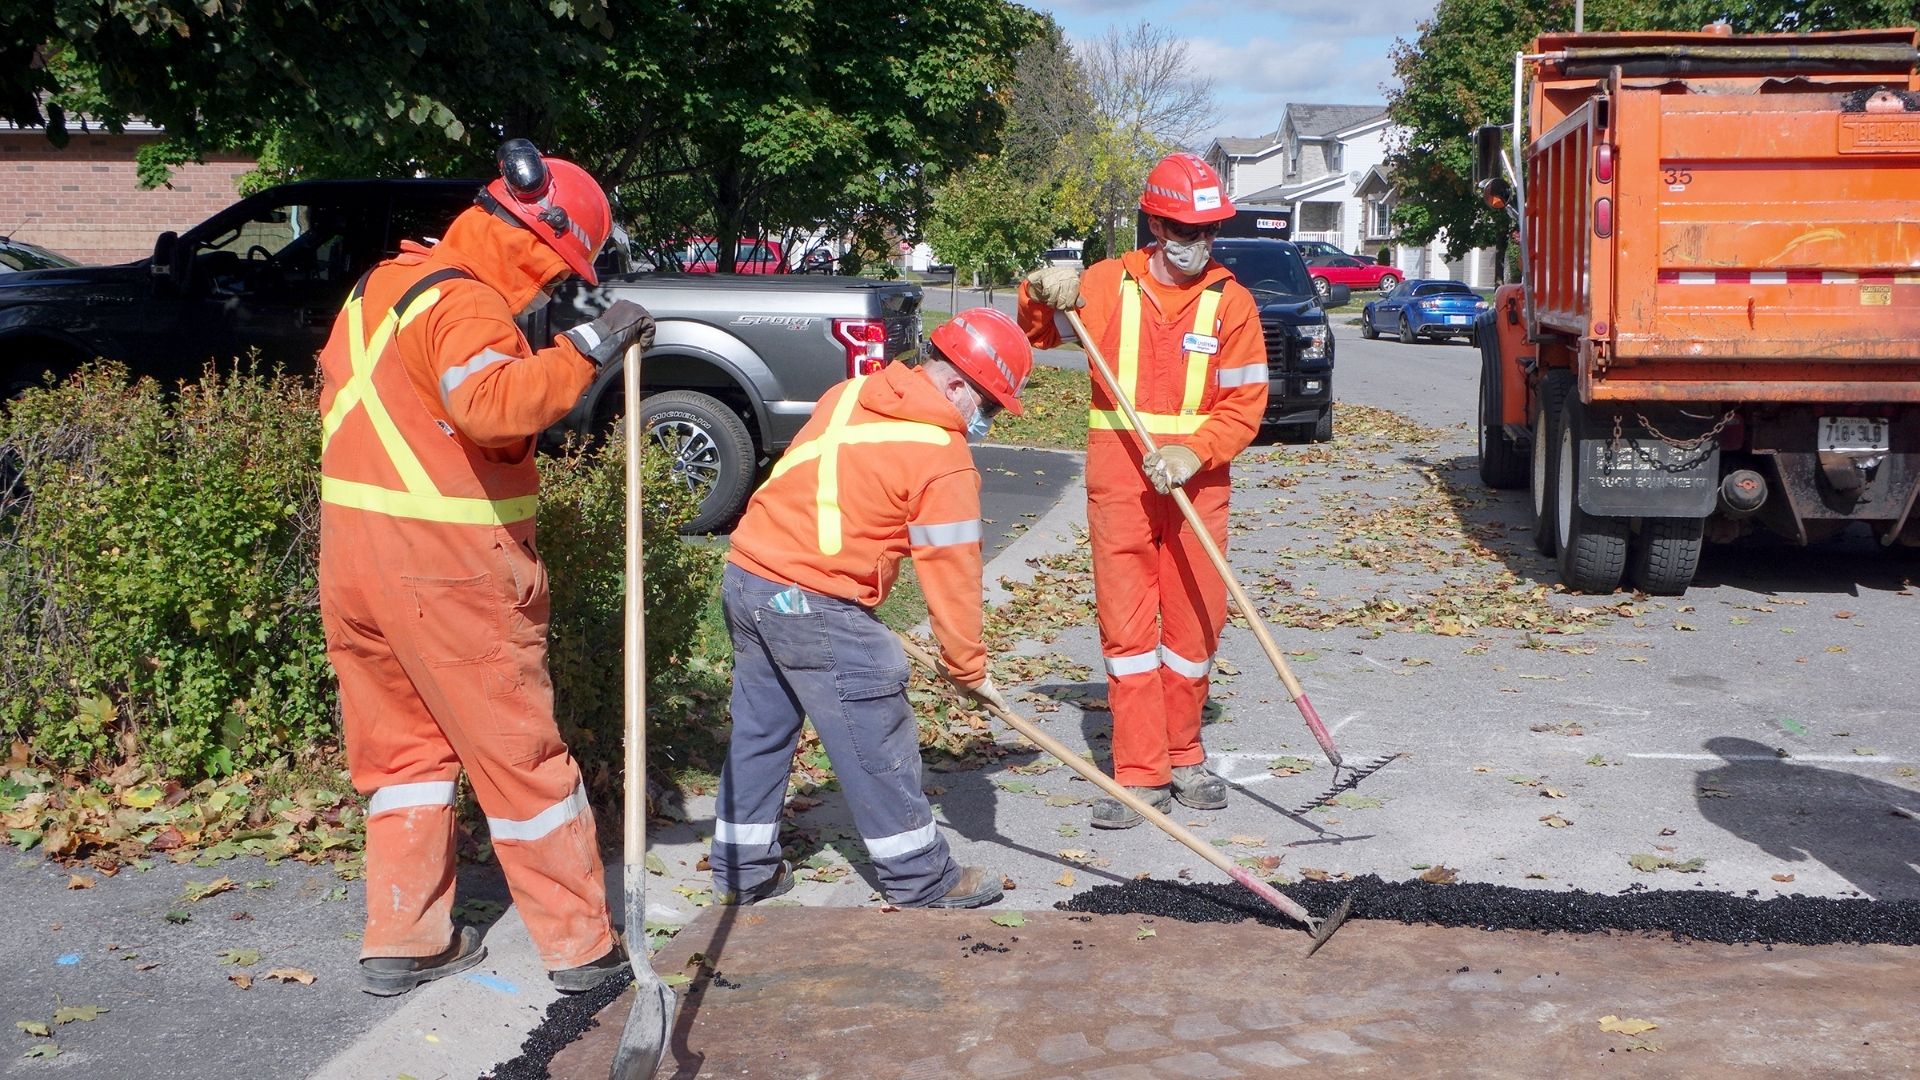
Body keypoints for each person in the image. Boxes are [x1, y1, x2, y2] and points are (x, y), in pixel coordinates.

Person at [318, 139, 655, 996]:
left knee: (402, 764)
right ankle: (583, 950)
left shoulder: (378, 291)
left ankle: (404, 938)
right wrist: (590, 347)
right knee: (522, 762)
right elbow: (492, 406)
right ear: (535, 239)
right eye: (556, 271)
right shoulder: (467, 308)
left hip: (355, 565)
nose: (548, 289)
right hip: (449, 572)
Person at [710, 308, 1033, 909]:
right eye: (986, 405)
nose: (983, 421)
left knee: (761, 729)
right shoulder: (942, 455)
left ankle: (741, 870)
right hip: (811, 600)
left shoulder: (851, 391)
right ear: (957, 383)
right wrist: (966, 667)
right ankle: (921, 877)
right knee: (873, 732)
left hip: (750, 580)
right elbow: (952, 574)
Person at [1017, 152, 1269, 830]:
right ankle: (1141, 774)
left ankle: (1185, 755)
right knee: (1128, 633)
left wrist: (1196, 451)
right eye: (1190, 232)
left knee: (1193, 627)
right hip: (1121, 477)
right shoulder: (1106, 285)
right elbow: (1038, 329)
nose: (1203, 245)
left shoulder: (1231, 302)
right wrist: (1038, 287)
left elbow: (1246, 401)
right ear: (1157, 226)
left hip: (1198, 483)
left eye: (1211, 231)